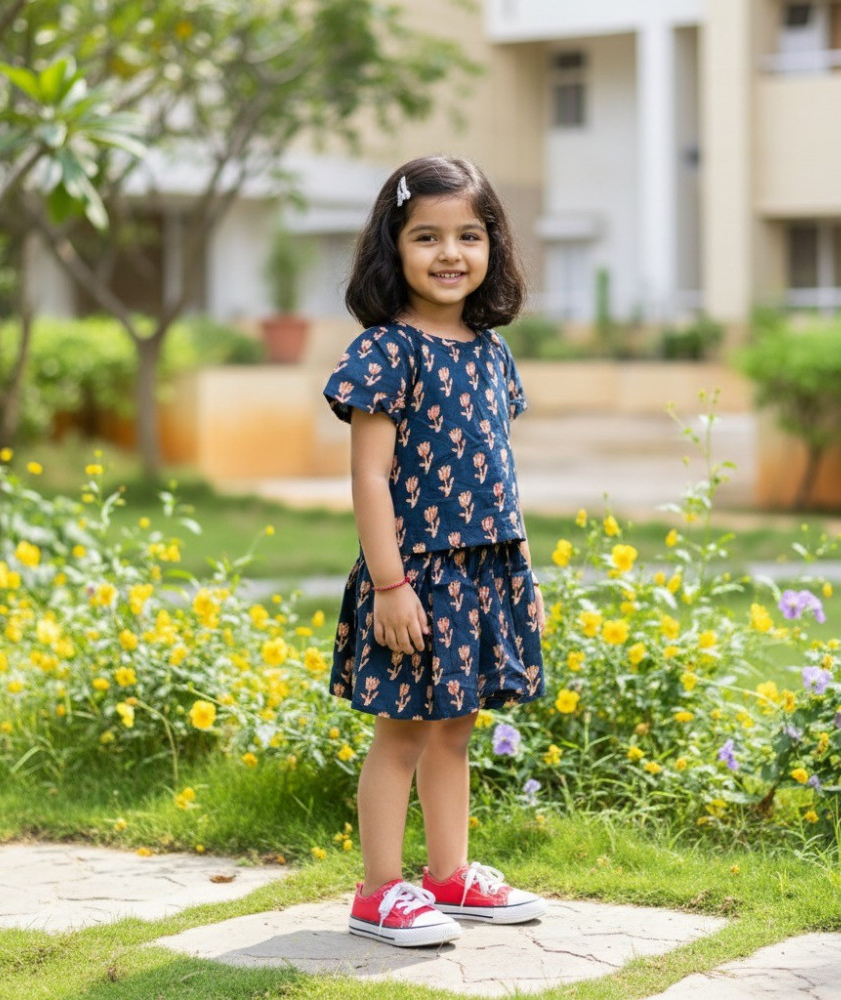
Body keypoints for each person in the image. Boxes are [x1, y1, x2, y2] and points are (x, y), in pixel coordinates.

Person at [323, 155, 547, 948]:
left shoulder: (490, 351)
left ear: (494, 247)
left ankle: (448, 875)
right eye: (427, 236)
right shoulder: (387, 352)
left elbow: (497, 469)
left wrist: (522, 574)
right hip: (414, 577)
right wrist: (389, 583)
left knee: (456, 724)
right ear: (394, 247)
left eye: (469, 235)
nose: (450, 253)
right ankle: (379, 890)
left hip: (484, 570)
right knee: (404, 731)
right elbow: (370, 477)